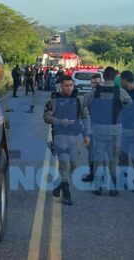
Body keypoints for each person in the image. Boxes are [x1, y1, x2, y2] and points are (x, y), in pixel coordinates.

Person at [84, 66, 132, 196]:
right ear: (114, 77)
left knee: (99, 158)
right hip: (115, 130)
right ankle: (113, 188)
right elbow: (129, 104)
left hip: (98, 129)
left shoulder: (95, 91)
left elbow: (86, 104)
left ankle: (98, 187)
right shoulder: (120, 92)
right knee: (113, 159)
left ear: (103, 77)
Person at [43, 75, 91, 205]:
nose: (69, 88)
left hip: (74, 136)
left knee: (74, 166)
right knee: (64, 163)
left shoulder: (78, 100)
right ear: (61, 86)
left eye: (71, 85)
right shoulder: (54, 100)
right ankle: (66, 193)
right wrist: (59, 121)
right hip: (60, 136)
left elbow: (85, 118)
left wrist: (86, 135)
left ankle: (59, 183)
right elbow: (46, 117)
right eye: (66, 85)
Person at [82, 74, 103, 182]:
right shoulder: (87, 96)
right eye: (94, 83)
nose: (96, 85)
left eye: (98, 83)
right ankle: (92, 174)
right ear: (90, 84)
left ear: (102, 83)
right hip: (92, 128)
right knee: (91, 152)